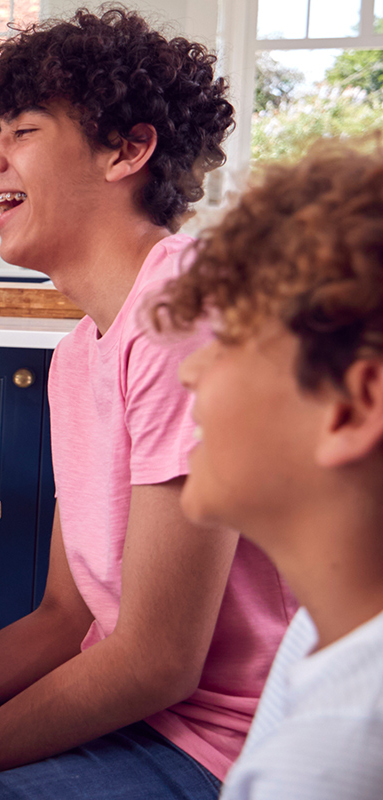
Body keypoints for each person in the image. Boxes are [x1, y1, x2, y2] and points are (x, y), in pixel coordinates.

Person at [0, 10, 293, 799]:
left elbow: (156, 662)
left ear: (128, 150)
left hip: (220, 747)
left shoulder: (186, 312)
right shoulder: (80, 352)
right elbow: (65, 618)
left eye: (24, 131)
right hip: (122, 713)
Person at [153, 137, 383, 799]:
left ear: (352, 408)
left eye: (228, 340)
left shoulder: (334, 761)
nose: (192, 370)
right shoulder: (325, 626)